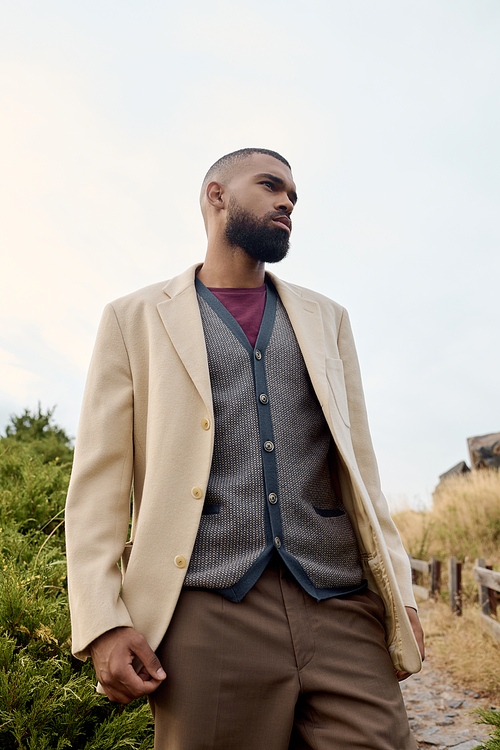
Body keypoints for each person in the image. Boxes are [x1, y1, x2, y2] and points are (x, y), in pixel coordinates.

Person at [65, 147, 425, 750]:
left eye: (294, 196)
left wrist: (399, 589)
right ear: (217, 195)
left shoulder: (327, 318)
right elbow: (98, 485)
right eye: (271, 185)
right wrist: (103, 622)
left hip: (338, 600)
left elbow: (362, 469)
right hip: (207, 610)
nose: (287, 201)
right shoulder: (134, 320)